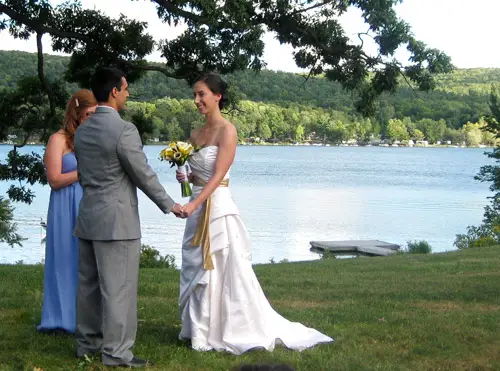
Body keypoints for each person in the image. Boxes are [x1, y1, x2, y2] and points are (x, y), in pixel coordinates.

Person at [176, 72, 334, 354]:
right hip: (198, 207)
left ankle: (230, 327)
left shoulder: (228, 131)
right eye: (195, 95)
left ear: (217, 96)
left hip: (218, 207)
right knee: (197, 266)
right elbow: (199, 177)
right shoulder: (195, 134)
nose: (197, 100)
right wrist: (185, 182)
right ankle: (199, 329)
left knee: (226, 266)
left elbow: (218, 176)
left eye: (201, 94)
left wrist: (193, 204)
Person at [73, 67, 183, 368]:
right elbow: (143, 175)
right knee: (118, 289)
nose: (128, 93)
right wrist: (170, 204)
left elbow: (84, 175)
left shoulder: (82, 130)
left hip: (88, 217)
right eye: (125, 88)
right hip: (117, 222)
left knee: (89, 286)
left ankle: (87, 345)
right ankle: (117, 353)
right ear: (114, 92)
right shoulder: (124, 130)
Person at [37, 89, 97, 334]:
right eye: (89, 113)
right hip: (64, 204)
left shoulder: (92, 137)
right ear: (76, 111)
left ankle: (87, 318)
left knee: (87, 263)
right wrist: (83, 173)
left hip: (88, 203)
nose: (92, 118)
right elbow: (54, 179)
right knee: (64, 259)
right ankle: (60, 317)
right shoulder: (58, 139)